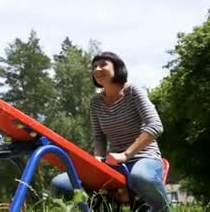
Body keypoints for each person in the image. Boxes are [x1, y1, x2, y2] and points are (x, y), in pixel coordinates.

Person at [49, 51, 171, 211]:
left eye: (103, 64)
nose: (97, 69)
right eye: (94, 66)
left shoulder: (133, 92)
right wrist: (98, 159)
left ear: (117, 68)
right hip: (113, 163)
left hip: (144, 158)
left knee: (140, 177)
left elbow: (155, 125)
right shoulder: (96, 102)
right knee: (60, 184)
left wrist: (126, 155)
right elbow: (99, 136)